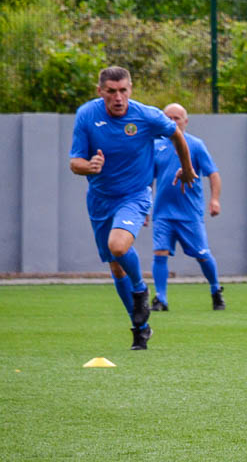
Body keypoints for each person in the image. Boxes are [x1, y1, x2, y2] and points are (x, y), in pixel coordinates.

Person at [69, 66, 197, 350]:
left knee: (118, 246)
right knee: (116, 269)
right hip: (100, 200)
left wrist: (186, 169)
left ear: (130, 89)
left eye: (123, 90)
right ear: (100, 91)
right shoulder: (87, 116)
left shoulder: (146, 115)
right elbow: (74, 162)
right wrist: (88, 166)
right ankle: (141, 328)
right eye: (112, 91)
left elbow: (176, 133)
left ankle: (140, 288)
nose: (118, 97)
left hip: (135, 196)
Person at [149, 103, 226, 312]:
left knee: (202, 254)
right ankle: (161, 298)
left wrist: (215, 200)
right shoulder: (156, 145)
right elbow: (148, 179)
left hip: (189, 213)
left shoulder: (196, 145)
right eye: (169, 118)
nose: (173, 122)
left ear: (186, 121)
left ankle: (215, 289)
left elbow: (213, 174)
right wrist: (144, 208)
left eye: (177, 118)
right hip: (163, 212)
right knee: (160, 252)